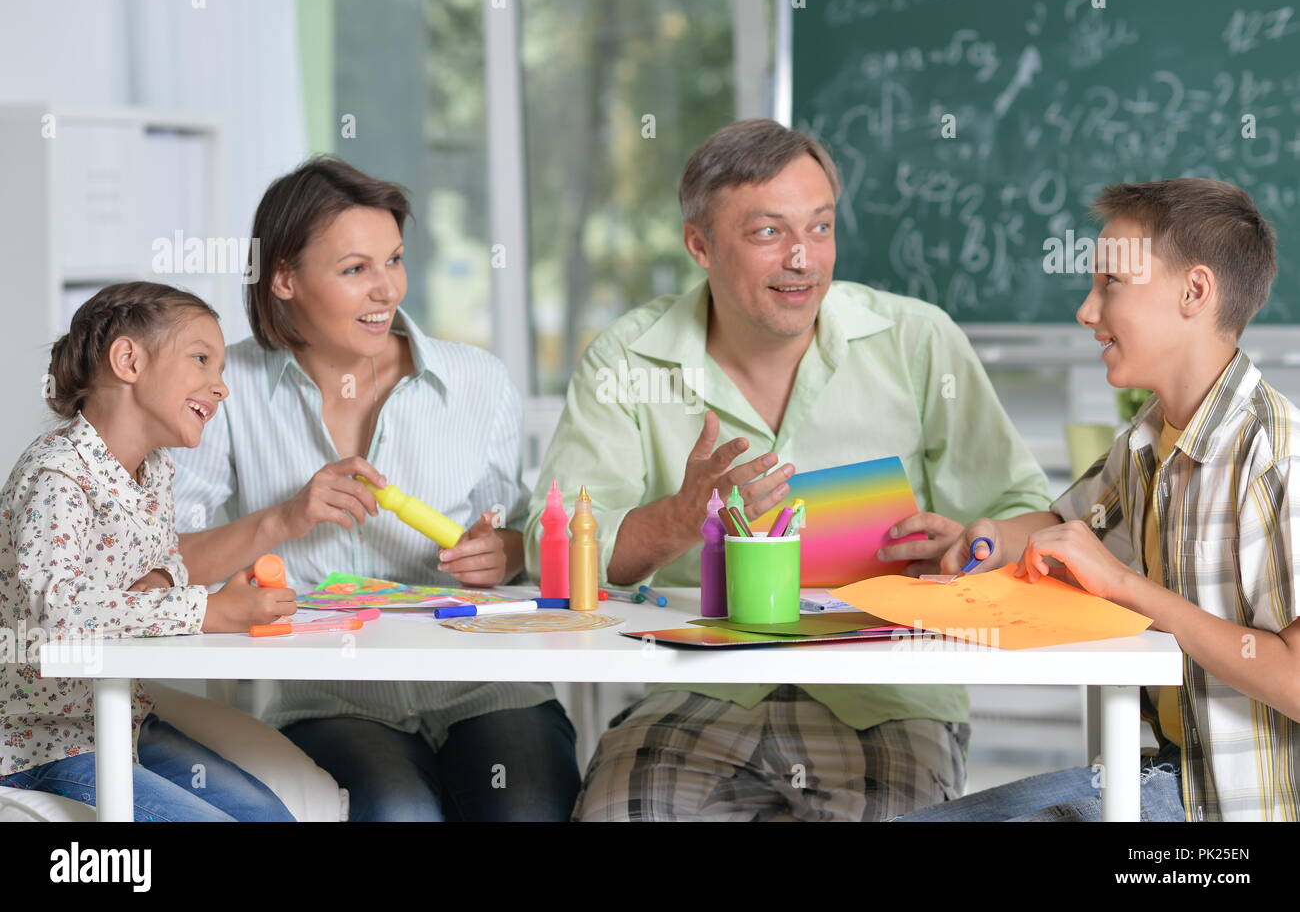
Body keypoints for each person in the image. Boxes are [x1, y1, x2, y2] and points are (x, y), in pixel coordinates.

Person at [525, 119, 1053, 821]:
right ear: (699, 245)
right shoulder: (627, 359)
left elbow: (1030, 513)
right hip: (699, 688)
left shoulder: (917, 339)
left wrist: (973, 543)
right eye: (769, 232)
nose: (803, 259)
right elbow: (551, 550)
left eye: (821, 227)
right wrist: (680, 518)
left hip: (882, 698)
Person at [173, 157, 580, 821]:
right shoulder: (229, 385)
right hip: (333, 696)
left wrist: (503, 552)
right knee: (396, 811)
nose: (386, 289)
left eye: (393, 260)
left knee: (526, 804)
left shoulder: (477, 380)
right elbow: (163, 560)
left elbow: (528, 532)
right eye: (354, 269)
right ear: (284, 277)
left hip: (485, 683)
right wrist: (286, 517)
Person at [900, 178, 1296, 822]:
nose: (1087, 311)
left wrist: (1124, 585)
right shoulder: (1149, 436)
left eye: (1111, 283)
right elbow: (1065, 524)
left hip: (1232, 808)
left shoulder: (1276, 457)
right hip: (1163, 769)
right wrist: (992, 538)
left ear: (1194, 292)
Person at [0, 282, 296, 821]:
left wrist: (162, 581)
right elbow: (56, 610)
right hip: (42, 741)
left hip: (123, 717)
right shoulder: (57, 474)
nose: (221, 387)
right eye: (202, 359)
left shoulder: (155, 469)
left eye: (222, 369)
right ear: (129, 361)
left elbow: (169, 562)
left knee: (269, 817)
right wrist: (204, 610)